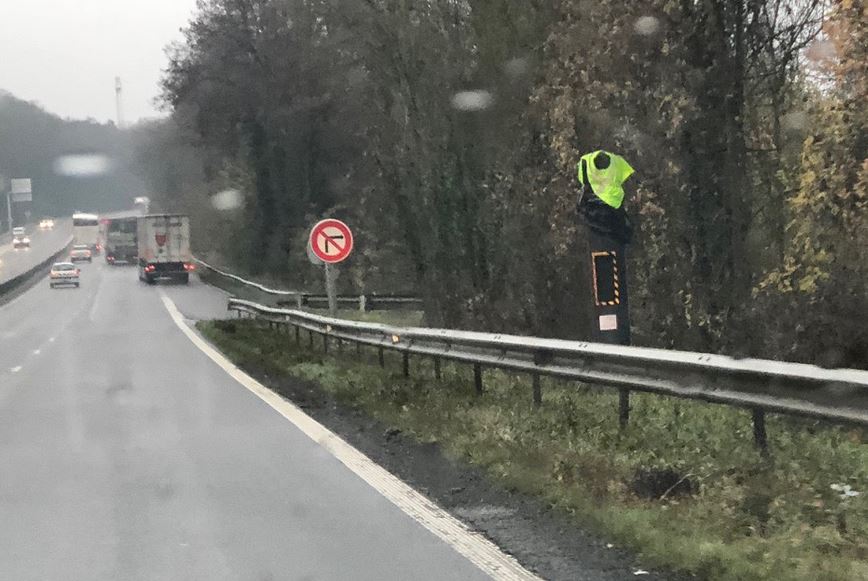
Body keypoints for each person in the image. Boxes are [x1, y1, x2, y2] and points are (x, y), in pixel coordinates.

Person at [576, 150, 635, 244]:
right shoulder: (616, 162)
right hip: (611, 201)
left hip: (599, 199)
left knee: (590, 218)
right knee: (618, 223)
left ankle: (619, 236)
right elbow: (628, 177)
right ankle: (623, 237)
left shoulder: (585, 162)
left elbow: (583, 181)